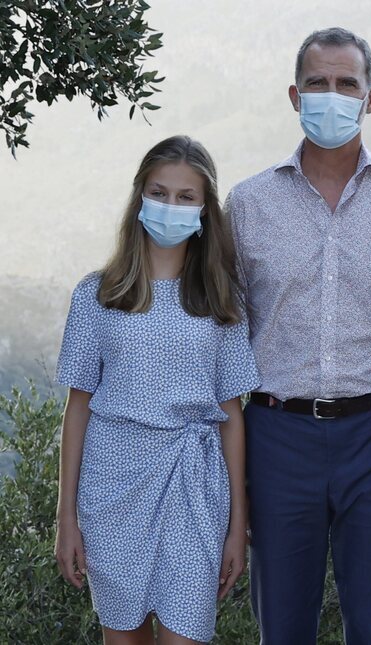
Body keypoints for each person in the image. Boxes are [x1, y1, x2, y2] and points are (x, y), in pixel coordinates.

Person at [224, 28, 371, 644]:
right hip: (277, 434)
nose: (332, 95)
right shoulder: (248, 204)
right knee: (283, 625)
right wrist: (233, 464)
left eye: (346, 84)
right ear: (293, 95)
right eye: (318, 83)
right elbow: (225, 338)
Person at [54, 135, 259, 644]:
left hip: (195, 488)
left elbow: (232, 414)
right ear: (139, 197)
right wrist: (66, 518)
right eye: (159, 192)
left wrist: (239, 524)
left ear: (206, 209)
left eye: (186, 197)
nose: (171, 206)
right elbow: (76, 409)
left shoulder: (221, 301)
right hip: (112, 487)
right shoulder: (97, 295)